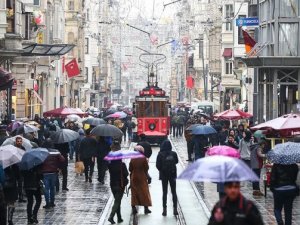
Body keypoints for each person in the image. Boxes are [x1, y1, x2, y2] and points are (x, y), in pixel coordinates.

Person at [107, 140, 129, 224]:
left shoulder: (110, 164)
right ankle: (111, 216)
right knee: (117, 201)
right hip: (120, 184)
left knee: (117, 200)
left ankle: (119, 217)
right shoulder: (122, 164)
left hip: (112, 183)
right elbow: (126, 174)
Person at [156, 140, 179, 216]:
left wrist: (162, 170)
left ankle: (164, 210)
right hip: (172, 175)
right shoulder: (173, 153)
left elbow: (157, 165)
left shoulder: (160, 154)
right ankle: (175, 209)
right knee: (174, 192)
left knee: (164, 192)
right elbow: (176, 162)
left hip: (164, 175)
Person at [129, 146, 152, 215]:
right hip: (142, 177)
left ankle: (134, 208)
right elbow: (146, 168)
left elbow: (130, 169)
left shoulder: (132, 158)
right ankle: (146, 208)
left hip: (134, 177)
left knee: (134, 193)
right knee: (144, 192)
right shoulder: (143, 158)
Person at [14, 137, 26, 203]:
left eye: (20, 141)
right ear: (16, 142)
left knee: (20, 184)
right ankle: (16, 196)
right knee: (15, 183)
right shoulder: (13, 149)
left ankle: (21, 197)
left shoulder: (23, 148)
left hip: (21, 169)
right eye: (18, 141)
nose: (19, 142)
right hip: (14, 169)